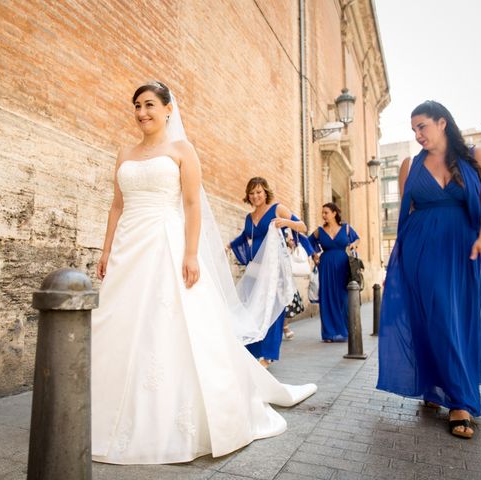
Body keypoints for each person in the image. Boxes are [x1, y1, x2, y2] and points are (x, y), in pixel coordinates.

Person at [91, 81, 317, 464]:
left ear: (167, 109)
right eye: (136, 106)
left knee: (169, 320)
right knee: (122, 318)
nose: (142, 112)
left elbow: (193, 205)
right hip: (129, 245)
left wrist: (191, 253)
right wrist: (107, 247)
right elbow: (117, 205)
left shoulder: (182, 151)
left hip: (166, 241)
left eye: (149, 105)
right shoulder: (124, 152)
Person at [376, 101, 481, 439]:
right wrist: (398, 267)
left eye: (422, 127)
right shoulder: (409, 166)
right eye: (413, 129)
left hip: (465, 250)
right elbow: (408, 215)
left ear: (442, 123)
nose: (417, 135)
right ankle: (459, 401)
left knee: (460, 320)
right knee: (436, 316)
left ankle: (435, 385)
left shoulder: (475, 156)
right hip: (422, 251)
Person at [229, 177, 312, 366]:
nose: (255, 196)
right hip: (256, 270)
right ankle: (252, 350)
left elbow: (303, 227)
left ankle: (268, 355)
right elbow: (244, 237)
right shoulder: (249, 217)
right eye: (251, 193)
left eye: (258, 192)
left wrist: (285, 222)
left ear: (265, 192)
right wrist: (228, 246)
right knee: (251, 309)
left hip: (274, 270)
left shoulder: (277, 208)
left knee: (273, 309)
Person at [308, 203, 360, 342]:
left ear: (334, 213)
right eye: (322, 213)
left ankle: (345, 331)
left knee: (343, 298)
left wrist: (354, 244)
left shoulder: (346, 228)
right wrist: (314, 255)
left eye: (326, 212)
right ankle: (329, 333)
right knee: (327, 298)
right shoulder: (319, 231)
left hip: (343, 265)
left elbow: (357, 238)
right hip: (325, 266)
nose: (323, 215)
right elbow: (308, 242)